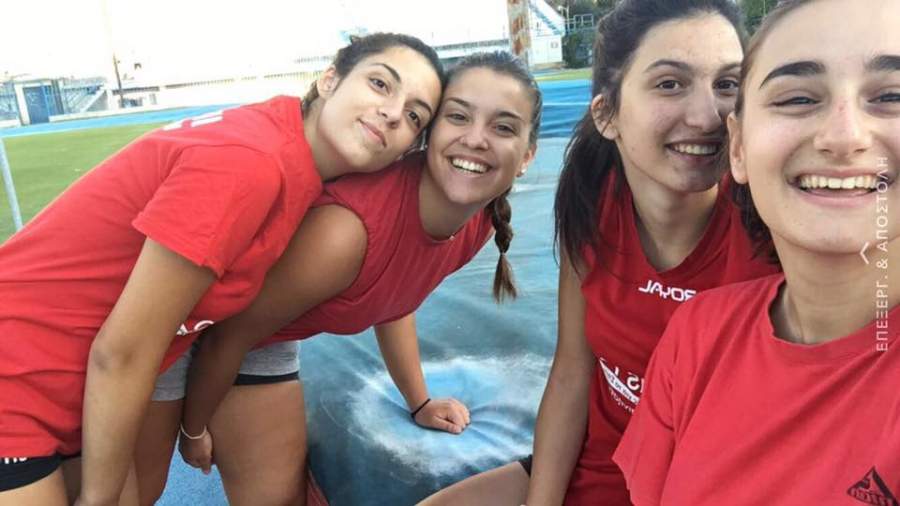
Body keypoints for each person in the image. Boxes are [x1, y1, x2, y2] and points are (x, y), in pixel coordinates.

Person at [0, 32, 443, 505]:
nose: (393, 113)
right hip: (19, 374)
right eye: (380, 84)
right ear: (330, 79)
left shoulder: (291, 160)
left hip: (68, 391)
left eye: (414, 116)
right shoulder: (252, 164)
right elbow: (123, 351)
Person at [419, 1, 781, 504]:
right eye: (670, 84)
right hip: (605, 462)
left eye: (726, 84)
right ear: (607, 115)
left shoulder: (773, 232)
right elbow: (573, 371)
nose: (707, 116)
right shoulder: (593, 198)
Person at [156, 51, 542, 506]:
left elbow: (397, 294)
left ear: (527, 156)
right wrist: (193, 428)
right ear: (430, 132)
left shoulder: (477, 219)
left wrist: (418, 401)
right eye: (458, 116)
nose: (476, 139)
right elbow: (227, 332)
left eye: (503, 127)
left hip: (256, 334)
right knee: (126, 490)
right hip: (187, 322)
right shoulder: (346, 232)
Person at [614, 0, 899, 502]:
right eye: (797, 99)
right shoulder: (699, 334)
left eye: (892, 96)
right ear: (738, 148)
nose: (845, 136)